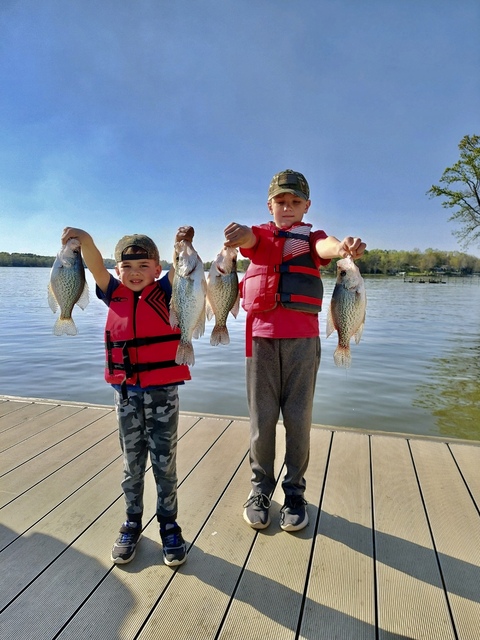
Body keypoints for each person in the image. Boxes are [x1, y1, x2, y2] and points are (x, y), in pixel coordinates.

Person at [224, 169, 366, 532]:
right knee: (262, 421)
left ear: (306, 206)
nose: (287, 208)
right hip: (260, 342)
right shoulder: (258, 236)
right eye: (280, 202)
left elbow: (327, 246)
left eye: (295, 202)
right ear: (269, 205)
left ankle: (295, 492)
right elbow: (245, 238)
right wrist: (235, 234)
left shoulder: (312, 238)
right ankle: (260, 490)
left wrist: (343, 248)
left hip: (304, 342)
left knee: (299, 420)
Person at [61, 225, 195, 566]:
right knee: (131, 466)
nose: (135, 274)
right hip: (126, 395)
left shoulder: (167, 290)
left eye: (143, 267)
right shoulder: (112, 292)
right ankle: (132, 523)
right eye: (127, 268)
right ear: (118, 270)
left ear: (157, 268)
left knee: (165, 465)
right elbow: (93, 265)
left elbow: (186, 267)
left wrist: (183, 245)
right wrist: (87, 241)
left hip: (163, 394)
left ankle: (169, 526)